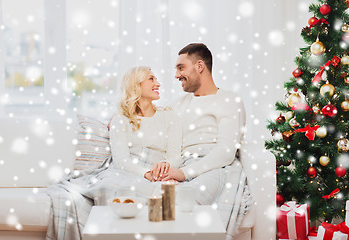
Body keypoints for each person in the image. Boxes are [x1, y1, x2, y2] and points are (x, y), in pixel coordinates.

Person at [46, 66, 183, 240]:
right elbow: (121, 160)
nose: (158, 83)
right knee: (108, 187)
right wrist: (146, 173)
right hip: (127, 171)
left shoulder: (170, 117)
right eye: (151, 79)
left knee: (166, 193)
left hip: (159, 172)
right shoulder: (121, 119)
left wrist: (166, 167)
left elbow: (175, 156)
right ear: (136, 84)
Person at [151, 43, 246, 206]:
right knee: (154, 194)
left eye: (181, 68)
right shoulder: (178, 105)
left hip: (213, 166)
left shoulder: (228, 100)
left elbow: (225, 152)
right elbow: (151, 123)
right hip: (181, 162)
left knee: (185, 199)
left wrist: (184, 173)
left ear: (200, 66)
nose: (176, 75)